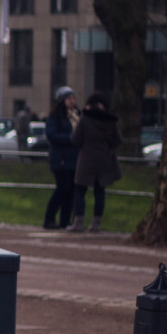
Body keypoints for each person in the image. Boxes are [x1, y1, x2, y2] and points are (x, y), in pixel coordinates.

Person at [69, 90, 121, 233]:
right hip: (104, 160)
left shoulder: (85, 119)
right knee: (100, 192)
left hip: (86, 159)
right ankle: (95, 224)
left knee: (80, 190)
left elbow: (75, 139)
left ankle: (78, 222)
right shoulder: (110, 121)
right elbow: (118, 140)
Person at [42, 87, 79, 230]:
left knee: (71, 190)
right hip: (60, 159)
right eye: (69, 99)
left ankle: (65, 220)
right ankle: (49, 218)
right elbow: (51, 135)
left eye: (73, 98)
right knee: (62, 188)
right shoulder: (55, 117)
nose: (72, 101)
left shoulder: (76, 116)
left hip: (73, 159)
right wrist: (71, 138)